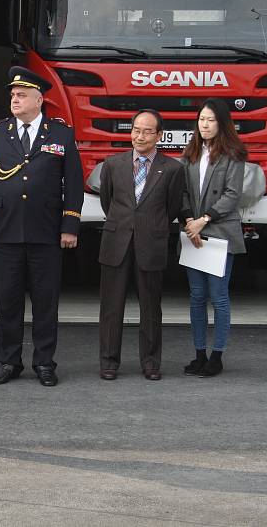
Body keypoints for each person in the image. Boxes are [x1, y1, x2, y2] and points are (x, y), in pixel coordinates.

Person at [0, 66, 84, 388]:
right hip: (6, 230)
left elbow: (73, 182)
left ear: (39, 99)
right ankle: (9, 361)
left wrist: (70, 225)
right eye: (12, 95)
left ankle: (44, 361)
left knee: (45, 301)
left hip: (46, 231)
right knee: (7, 301)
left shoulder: (61, 133)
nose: (15, 100)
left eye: (22, 95)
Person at [98, 109, 185, 380]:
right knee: (111, 306)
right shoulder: (113, 164)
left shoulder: (172, 168)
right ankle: (109, 362)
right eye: (136, 129)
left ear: (159, 135)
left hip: (152, 242)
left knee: (150, 307)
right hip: (116, 241)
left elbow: (172, 208)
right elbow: (107, 201)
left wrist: (150, 225)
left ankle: (150, 363)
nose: (140, 135)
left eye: (147, 131)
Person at [180, 98, 246, 377]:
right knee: (196, 297)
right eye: (201, 119)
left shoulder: (234, 154)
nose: (204, 125)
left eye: (210, 120)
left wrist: (203, 220)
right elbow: (182, 191)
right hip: (192, 232)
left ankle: (216, 356)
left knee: (218, 297)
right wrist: (188, 222)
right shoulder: (191, 153)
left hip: (218, 231)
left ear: (222, 123)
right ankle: (199, 354)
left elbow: (232, 195)